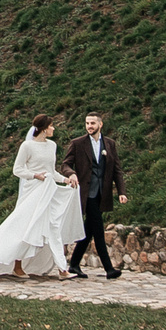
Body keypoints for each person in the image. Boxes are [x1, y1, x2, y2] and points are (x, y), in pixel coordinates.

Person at [0, 115, 86, 279]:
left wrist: (64, 179)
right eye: (52, 126)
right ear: (45, 128)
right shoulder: (27, 146)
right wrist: (35, 175)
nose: (54, 128)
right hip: (33, 191)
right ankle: (17, 266)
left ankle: (62, 269)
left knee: (53, 227)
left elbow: (51, 171)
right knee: (24, 228)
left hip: (48, 191)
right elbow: (17, 170)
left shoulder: (52, 146)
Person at [65, 112, 127, 279]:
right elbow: (66, 164)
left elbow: (116, 170)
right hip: (87, 193)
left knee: (89, 229)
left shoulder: (110, 144)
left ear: (100, 124)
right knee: (98, 229)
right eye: (87, 123)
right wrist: (71, 173)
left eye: (92, 123)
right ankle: (109, 269)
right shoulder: (78, 143)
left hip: (102, 192)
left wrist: (121, 192)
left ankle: (74, 264)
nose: (89, 126)